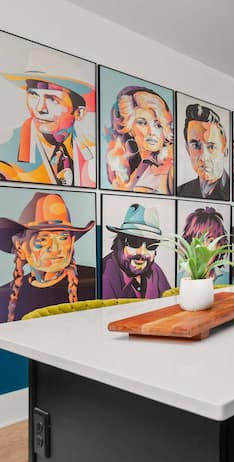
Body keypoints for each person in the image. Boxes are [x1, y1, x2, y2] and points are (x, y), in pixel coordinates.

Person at [0, 193, 96, 322]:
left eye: (63, 238)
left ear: (72, 242)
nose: (55, 248)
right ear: (20, 246)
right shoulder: (4, 296)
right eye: (42, 240)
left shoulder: (95, 281)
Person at [0, 71, 96, 187]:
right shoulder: (7, 151)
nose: (40, 108)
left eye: (53, 99)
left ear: (79, 113)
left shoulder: (92, 150)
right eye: (34, 95)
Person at [105, 86, 174, 194]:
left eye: (157, 125)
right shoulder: (135, 168)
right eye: (142, 123)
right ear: (130, 129)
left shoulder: (171, 168)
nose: (151, 132)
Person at [102, 204, 171, 299]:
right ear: (120, 242)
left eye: (151, 244)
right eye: (134, 242)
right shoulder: (105, 273)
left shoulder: (155, 271)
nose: (142, 252)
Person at [177, 104, 230, 200]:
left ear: (225, 150)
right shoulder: (180, 192)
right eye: (195, 146)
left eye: (211, 147)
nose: (203, 157)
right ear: (188, 149)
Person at [181, 207, 229, 283]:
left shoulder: (228, 279)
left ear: (219, 245)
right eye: (199, 240)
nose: (205, 248)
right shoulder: (181, 279)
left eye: (211, 241)